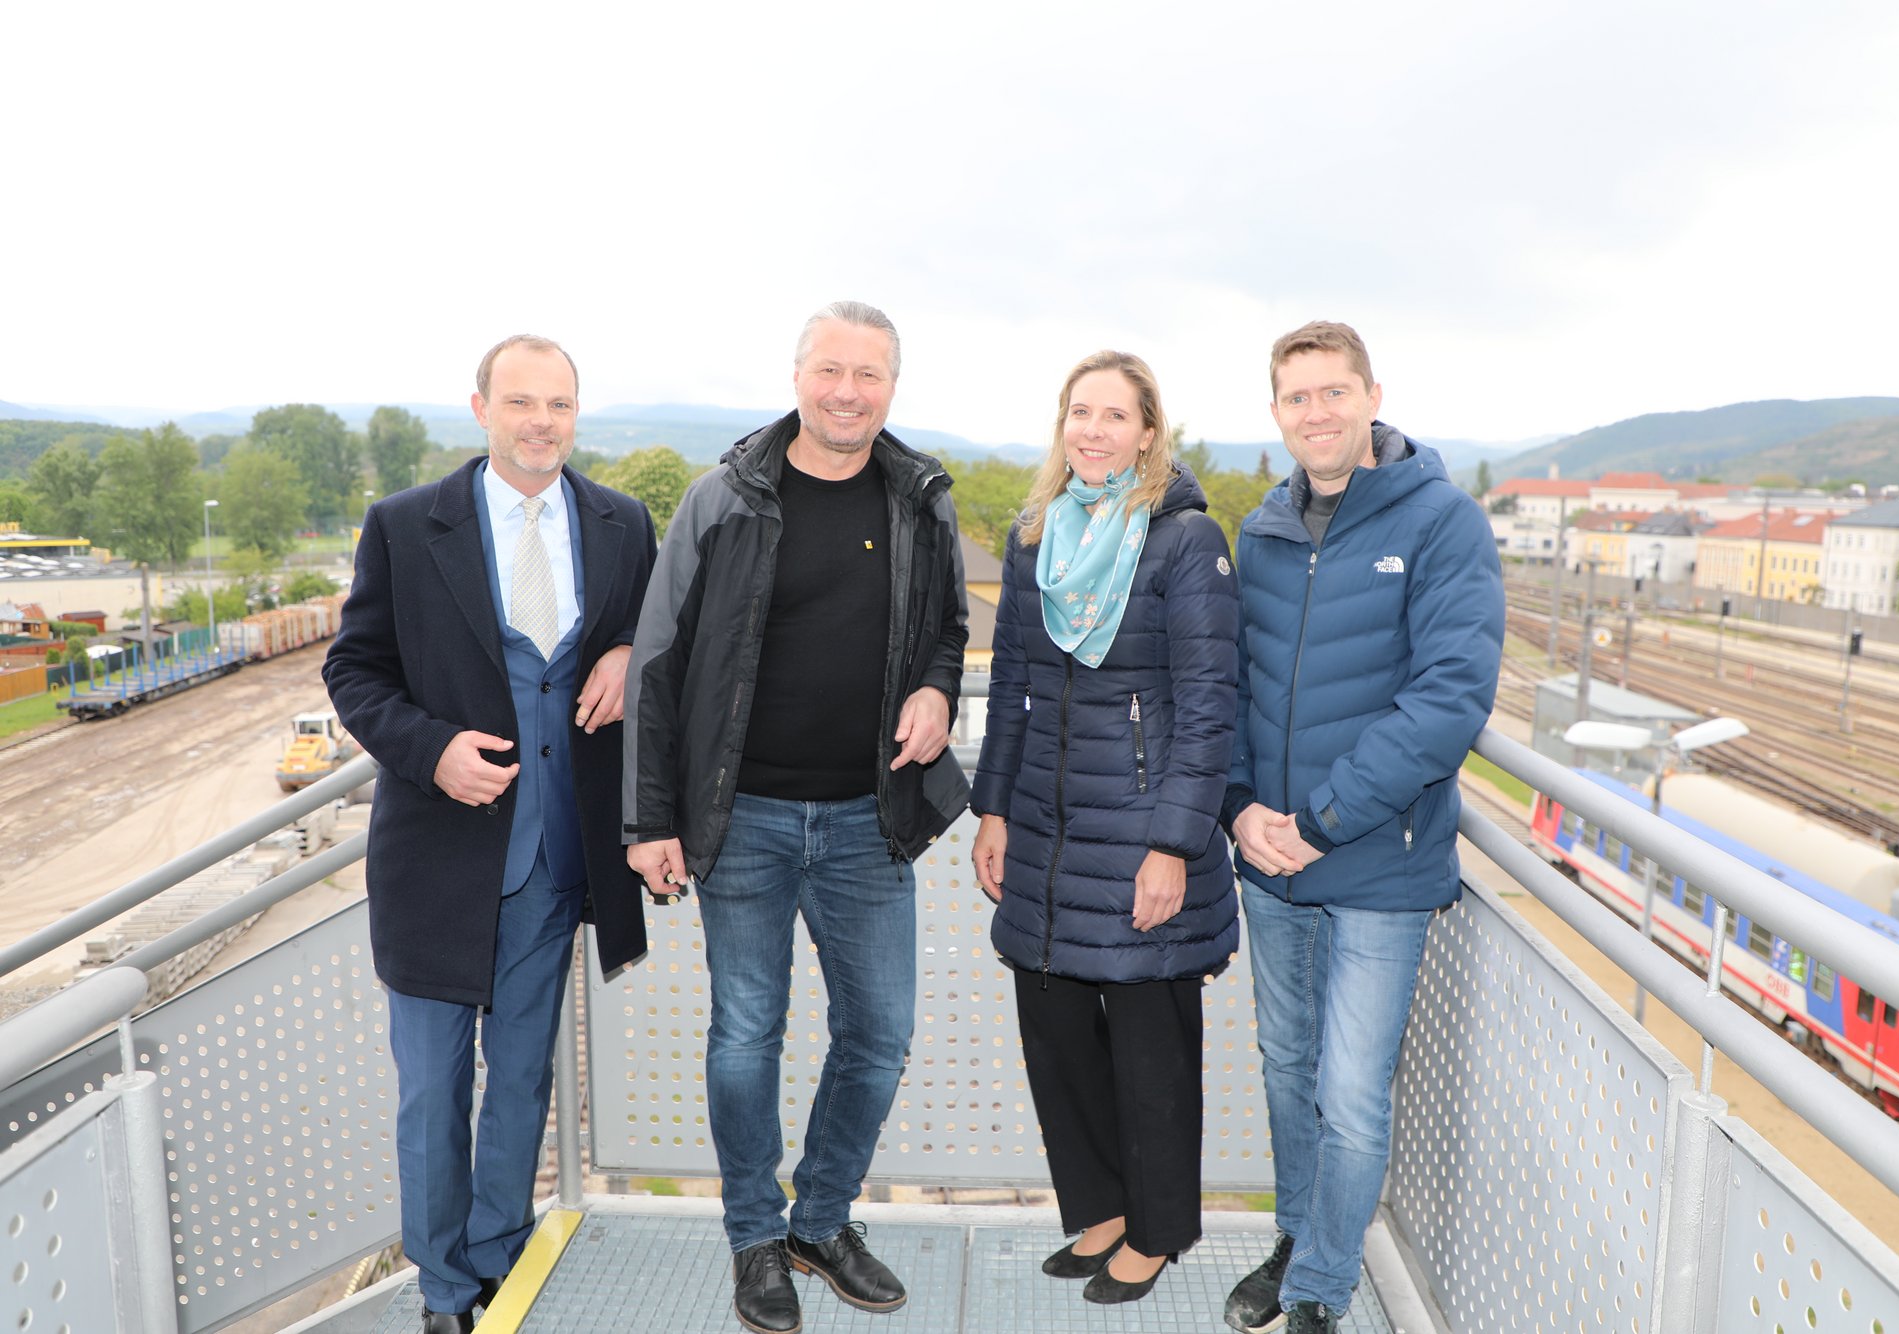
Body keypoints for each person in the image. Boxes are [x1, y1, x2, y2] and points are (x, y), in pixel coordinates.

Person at [623, 301, 971, 1334]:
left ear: (890, 388)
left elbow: (950, 626)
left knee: (879, 1031)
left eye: (868, 374)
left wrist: (940, 691)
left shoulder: (919, 500)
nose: (846, 391)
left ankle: (819, 1219)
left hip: (870, 818)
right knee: (745, 1031)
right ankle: (752, 1238)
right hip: (745, 820)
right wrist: (650, 816)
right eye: (830, 369)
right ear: (797, 375)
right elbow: (657, 660)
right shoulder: (724, 497)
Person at [323, 335, 657, 1334]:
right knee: (432, 1093)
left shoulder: (621, 521)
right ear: (479, 408)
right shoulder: (402, 526)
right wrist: (430, 751)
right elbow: (354, 672)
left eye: (558, 402)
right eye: (520, 401)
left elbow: (661, 634)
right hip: (436, 861)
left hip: (557, 859)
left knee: (518, 1081)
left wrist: (634, 651)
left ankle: (499, 1256)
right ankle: (440, 1288)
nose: (540, 421)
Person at [1219, 321, 1503, 1334]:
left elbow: (1446, 701)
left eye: (1333, 392)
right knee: (1288, 1068)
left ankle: (1317, 1288)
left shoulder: (1440, 523)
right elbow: (1234, 688)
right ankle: (1299, 1235)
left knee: (1348, 1089)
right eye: (1296, 397)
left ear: (1371, 395)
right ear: (1276, 412)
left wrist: (1322, 819)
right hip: (1270, 862)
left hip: (1377, 861)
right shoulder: (1260, 530)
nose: (1317, 412)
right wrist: (1241, 808)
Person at [970, 351, 1240, 1307]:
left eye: (1114, 416)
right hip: (1043, 828)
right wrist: (991, 807)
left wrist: (1174, 842)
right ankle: (1100, 1209)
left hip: (1140, 829)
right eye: (1079, 413)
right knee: (1054, 1026)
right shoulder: (1036, 532)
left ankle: (1159, 1230)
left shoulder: (1184, 540)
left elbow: (1211, 707)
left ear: (1148, 434)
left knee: (1146, 1037)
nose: (1093, 430)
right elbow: (1010, 685)